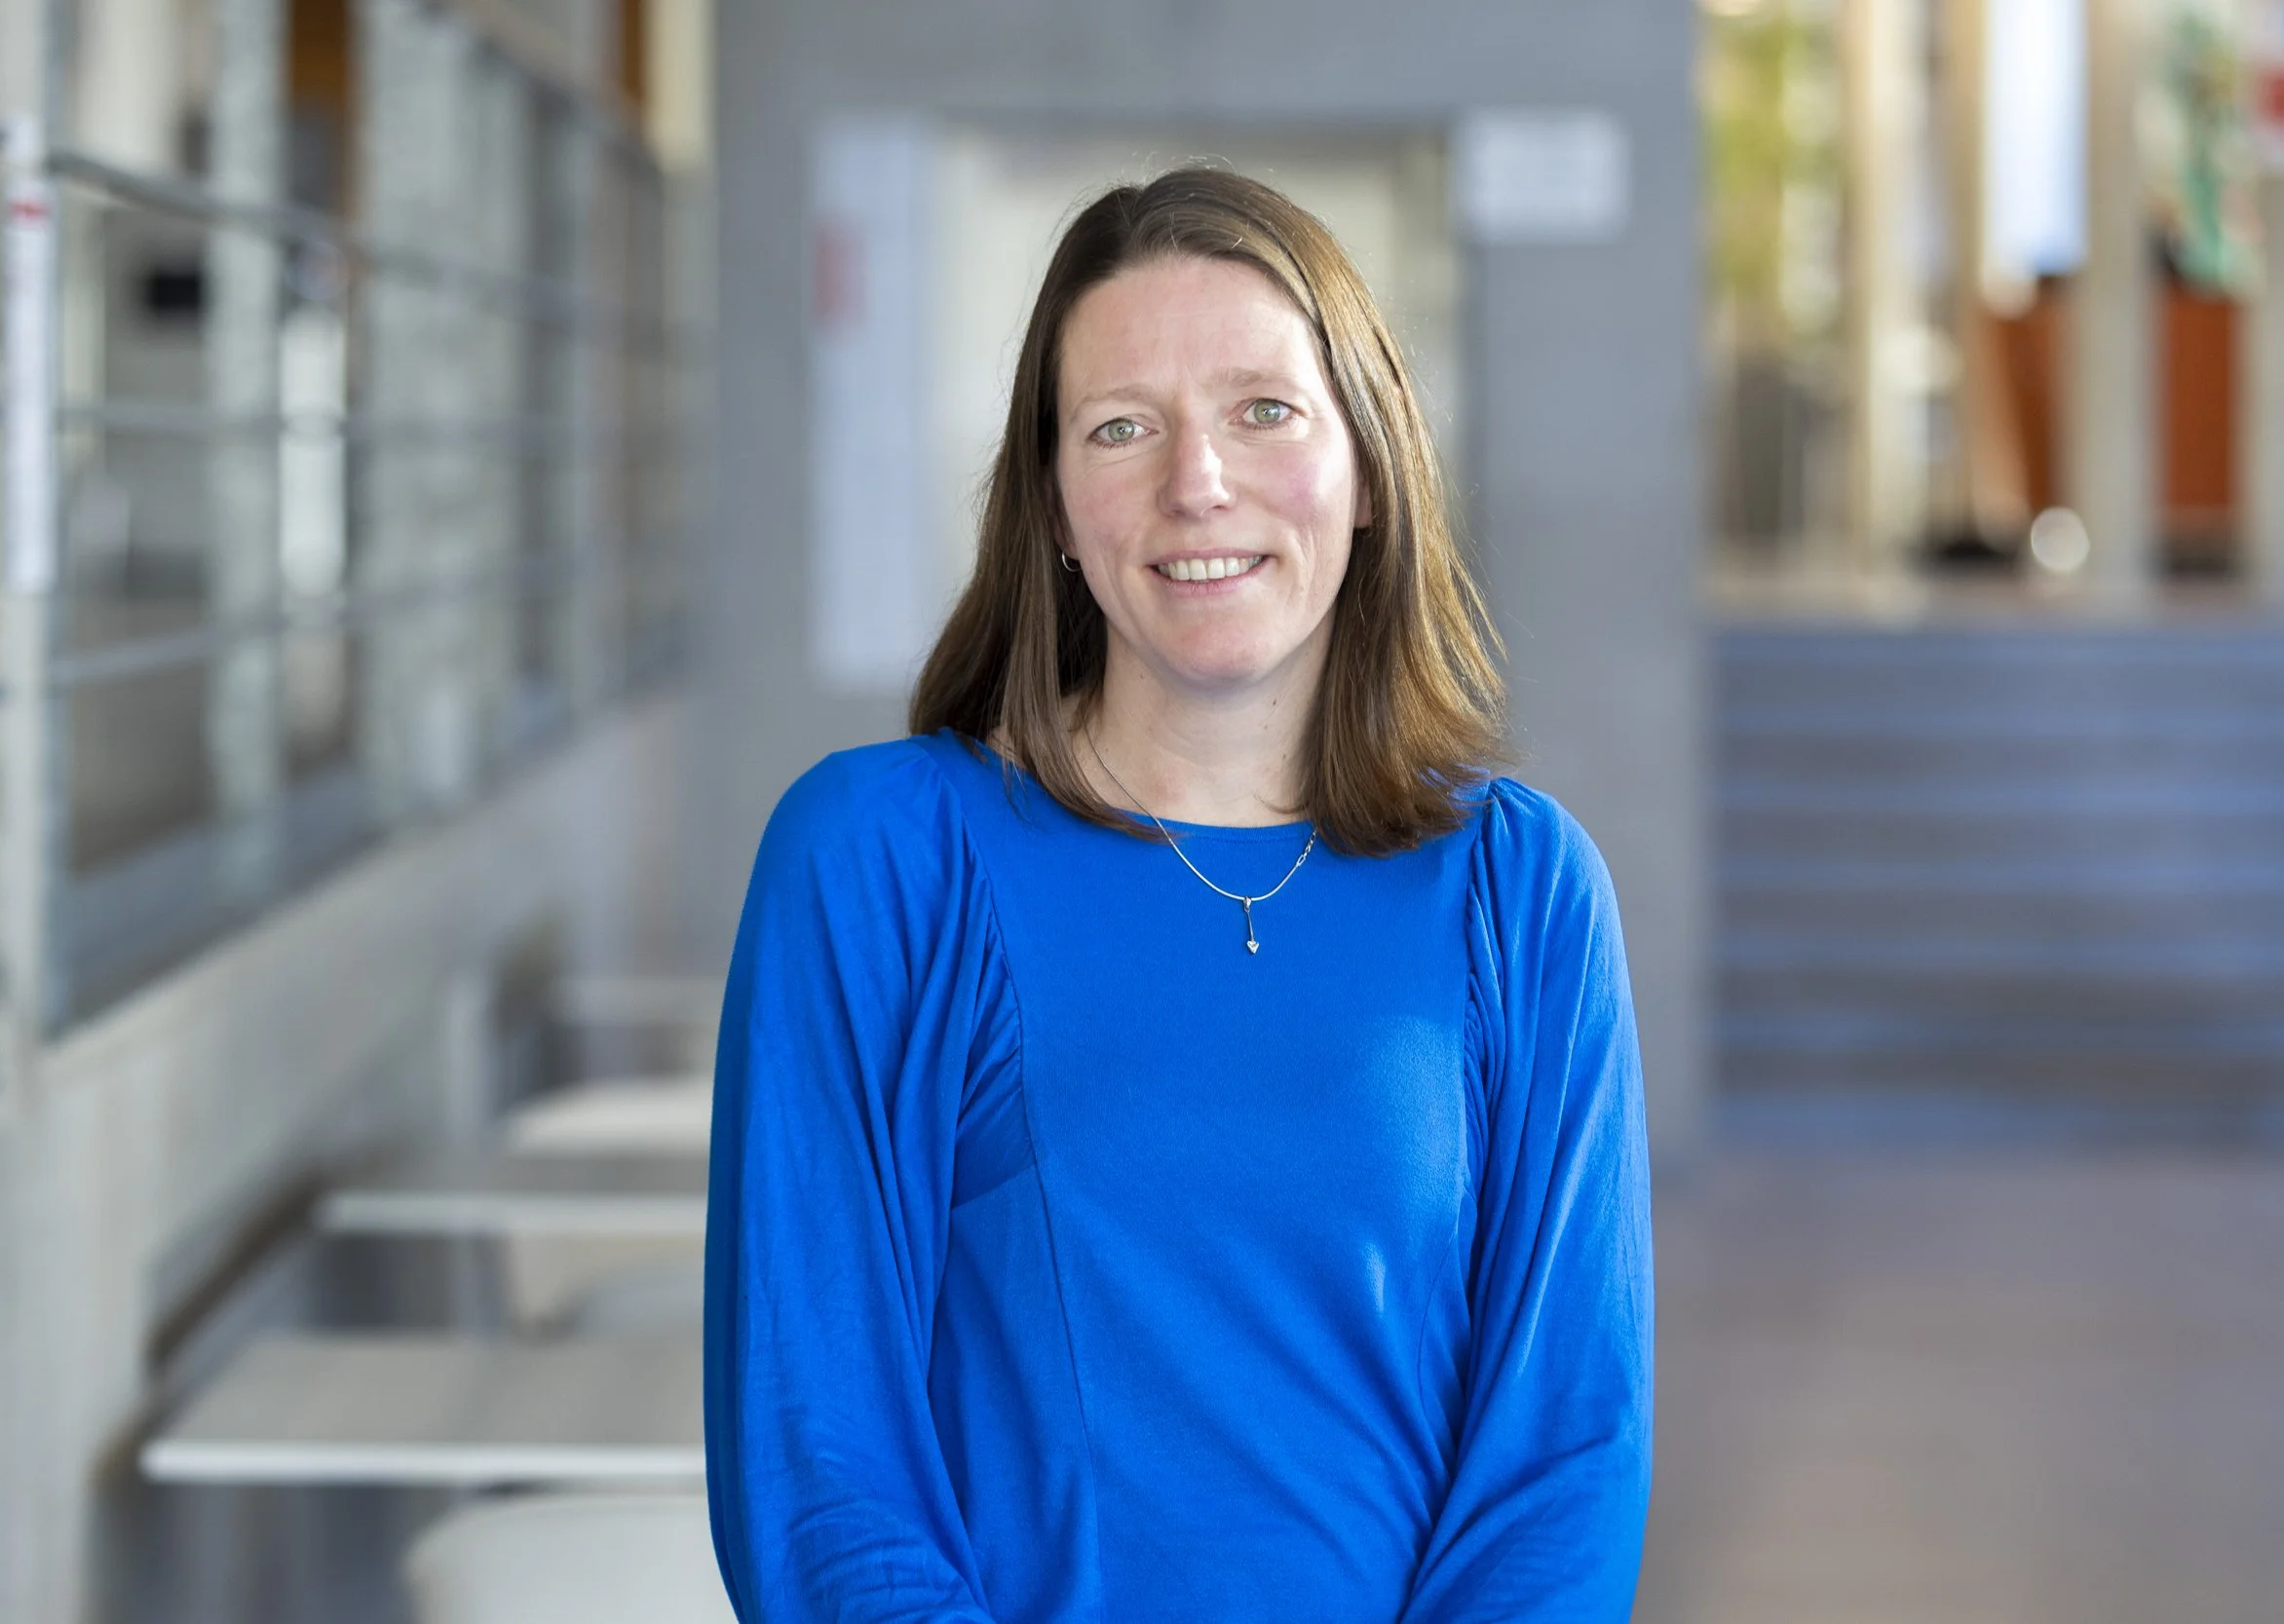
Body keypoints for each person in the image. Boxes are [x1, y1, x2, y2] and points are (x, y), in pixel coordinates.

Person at [704, 166, 1653, 1622]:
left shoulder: (1521, 895)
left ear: (1371, 466)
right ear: (1057, 509)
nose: (1194, 481)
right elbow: (818, 1459)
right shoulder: (882, 860)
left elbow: (1564, 1465)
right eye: (1121, 426)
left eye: (1263, 409)